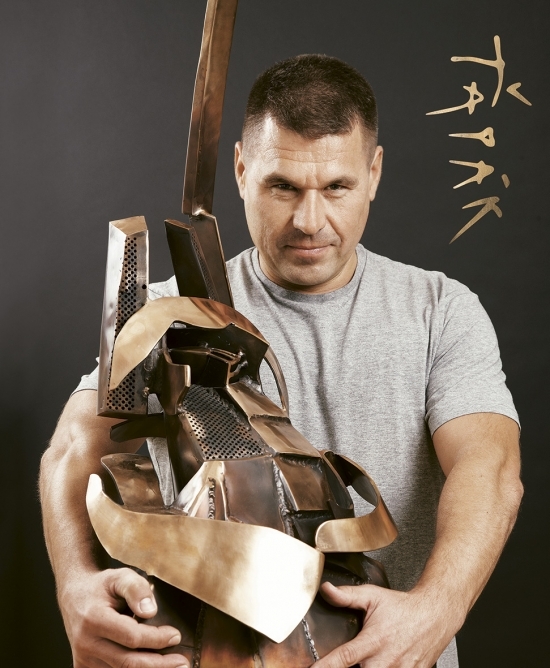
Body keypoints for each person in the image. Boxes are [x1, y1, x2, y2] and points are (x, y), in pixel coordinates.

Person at [40, 54, 522, 668]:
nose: (309, 221)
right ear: (242, 169)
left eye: (337, 187)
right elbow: (73, 447)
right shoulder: (168, 310)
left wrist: (437, 607)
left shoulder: (441, 310)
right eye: (283, 187)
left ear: (374, 172)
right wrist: (75, 585)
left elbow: (490, 466)